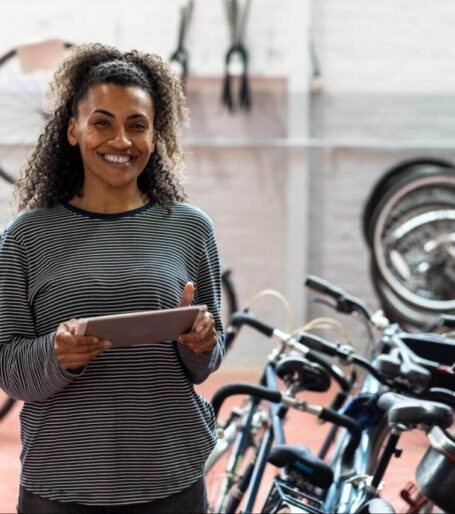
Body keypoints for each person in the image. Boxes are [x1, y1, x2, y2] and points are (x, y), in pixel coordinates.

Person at [0, 43, 224, 513]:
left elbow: (207, 361)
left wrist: (200, 343)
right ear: (72, 130)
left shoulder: (189, 228)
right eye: (102, 122)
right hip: (61, 485)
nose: (120, 141)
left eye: (136, 126)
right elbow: (8, 369)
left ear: (155, 136)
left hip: (172, 478)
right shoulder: (26, 237)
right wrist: (56, 354)